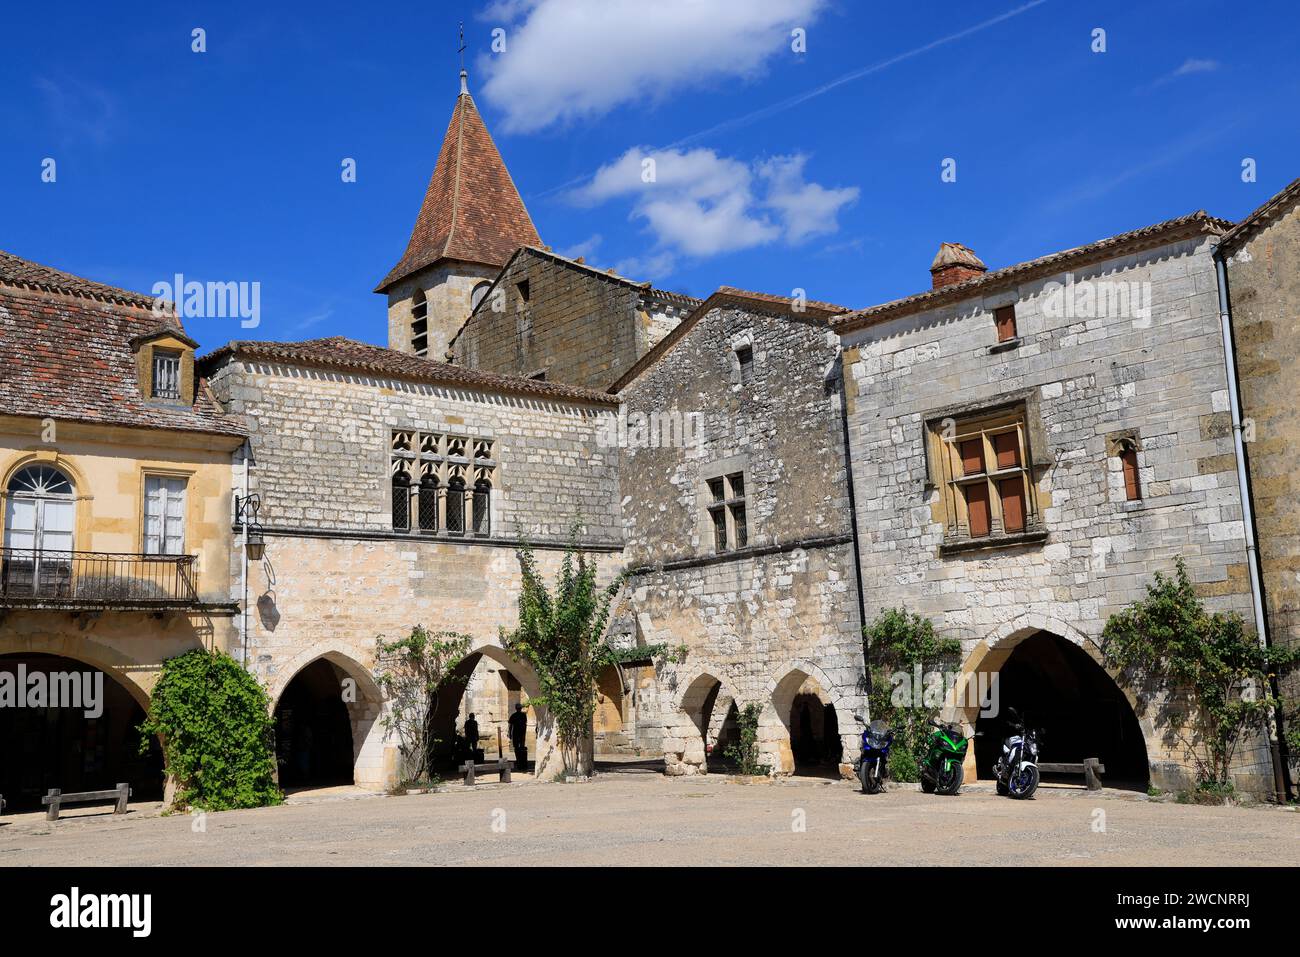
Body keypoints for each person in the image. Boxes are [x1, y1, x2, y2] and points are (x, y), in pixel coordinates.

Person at [508, 703, 528, 770]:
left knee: (517, 748)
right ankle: (521, 761)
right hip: (521, 733)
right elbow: (525, 724)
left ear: (516, 708)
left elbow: (510, 726)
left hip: (516, 733)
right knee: (521, 747)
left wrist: (510, 734)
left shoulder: (513, 715)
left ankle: (518, 760)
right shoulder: (523, 715)